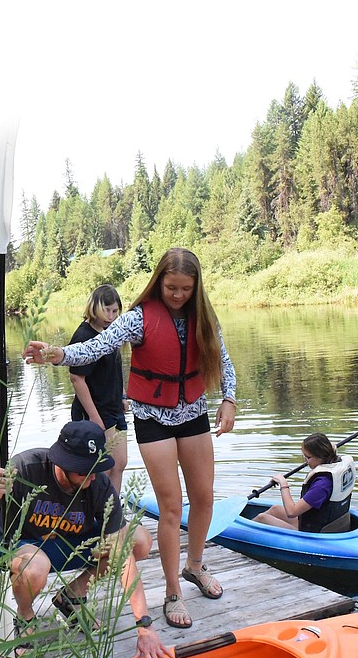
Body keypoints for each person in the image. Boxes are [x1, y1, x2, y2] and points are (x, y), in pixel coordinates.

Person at [23, 247, 237, 630]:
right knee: (171, 508)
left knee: (204, 497)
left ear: (195, 287)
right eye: (171, 287)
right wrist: (57, 354)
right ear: (159, 282)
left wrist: (229, 399)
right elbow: (96, 346)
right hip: (153, 418)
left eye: (185, 289)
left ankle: (195, 566)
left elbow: (223, 359)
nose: (177, 295)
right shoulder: (138, 318)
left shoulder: (204, 316)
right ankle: (173, 591)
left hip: (193, 414)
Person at [0, 420, 168, 658]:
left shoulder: (98, 484)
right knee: (34, 567)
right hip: (22, 545)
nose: (90, 476)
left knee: (139, 540)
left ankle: (71, 595)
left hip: (71, 544)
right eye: (82, 470)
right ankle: (25, 618)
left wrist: (144, 627)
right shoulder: (25, 468)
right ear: (63, 462)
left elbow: (122, 552)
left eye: (94, 469)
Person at [68, 284, 129, 496]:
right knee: (102, 467)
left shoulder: (109, 333)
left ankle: (112, 513)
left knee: (120, 463)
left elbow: (114, 369)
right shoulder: (84, 336)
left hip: (113, 408)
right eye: (106, 310)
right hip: (94, 411)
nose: (110, 316)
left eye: (115, 311)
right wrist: (94, 418)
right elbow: (77, 377)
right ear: (94, 307)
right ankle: (97, 513)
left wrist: (122, 395)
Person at [254, 433, 355, 533]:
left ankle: (239, 536)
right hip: (332, 523)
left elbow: (291, 512)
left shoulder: (322, 484)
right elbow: (331, 448)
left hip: (316, 533)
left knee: (262, 518)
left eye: (308, 457)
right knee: (275, 509)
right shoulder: (336, 464)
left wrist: (283, 484)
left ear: (321, 456)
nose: (306, 461)